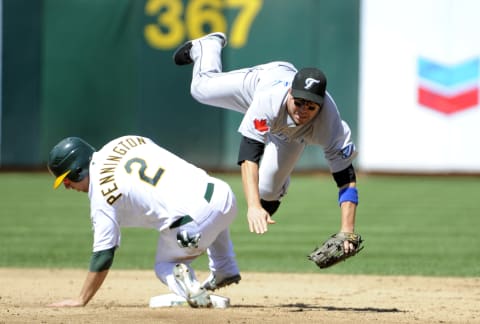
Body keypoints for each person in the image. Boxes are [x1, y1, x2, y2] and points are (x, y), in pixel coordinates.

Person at [173, 32, 360, 254]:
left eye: (311, 107)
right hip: (260, 85)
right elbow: (249, 154)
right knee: (200, 89)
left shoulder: (330, 125)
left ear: (321, 105)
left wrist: (347, 229)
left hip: (290, 135)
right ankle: (209, 45)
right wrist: (252, 206)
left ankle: (279, 181)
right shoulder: (270, 99)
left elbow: (346, 180)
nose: (303, 111)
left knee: (268, 193)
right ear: (291, 92)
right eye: (299, 102)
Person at [46, 135, 241, 308]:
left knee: (165, 265)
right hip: (223, 194)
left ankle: (189, 286)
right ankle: (225, 268)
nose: (67, 186)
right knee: (211, 214)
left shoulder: (100, 193)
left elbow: (104, 254)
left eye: (66, 179)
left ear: (77, 170)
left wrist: (81, 299)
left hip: (193, 223)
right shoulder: (124, 140)